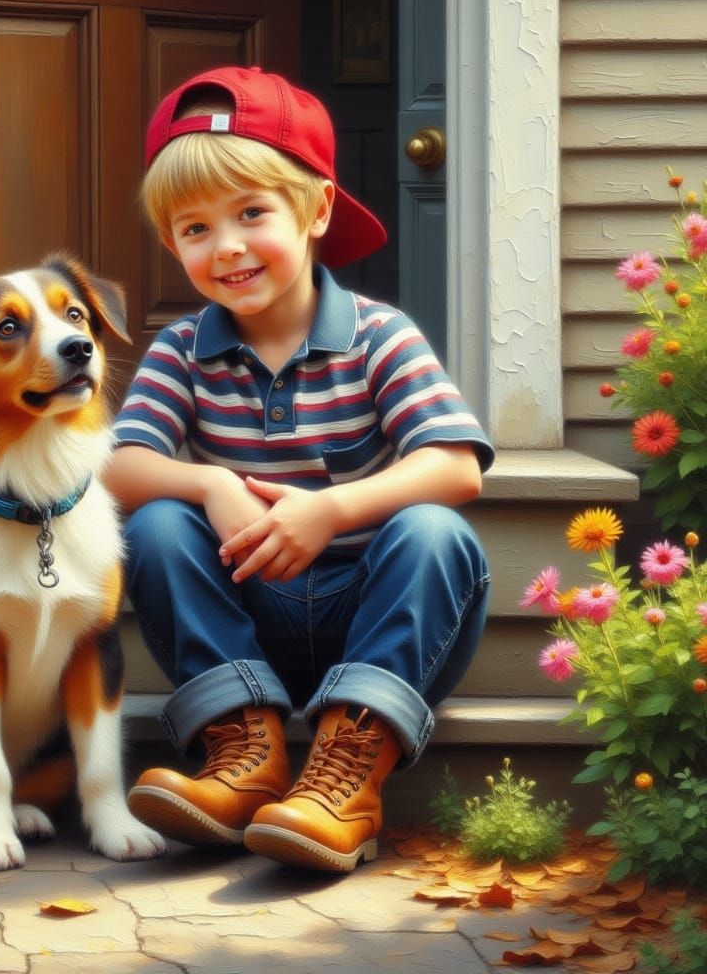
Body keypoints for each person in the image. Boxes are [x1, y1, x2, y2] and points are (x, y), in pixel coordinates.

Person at [103, 65, 494, 873]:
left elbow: (456, 467)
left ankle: (345, 779)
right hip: (251, 626)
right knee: (159, 523)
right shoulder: (182, 350)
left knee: (435, 532)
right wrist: (208, 482)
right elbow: (121, 466)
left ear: (316, 209)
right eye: (196, 228)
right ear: (171, 242)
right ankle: (245, 754)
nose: (229, 246)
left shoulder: (379, 336)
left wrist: (331, 509)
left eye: (252, 212)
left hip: (379, 623)